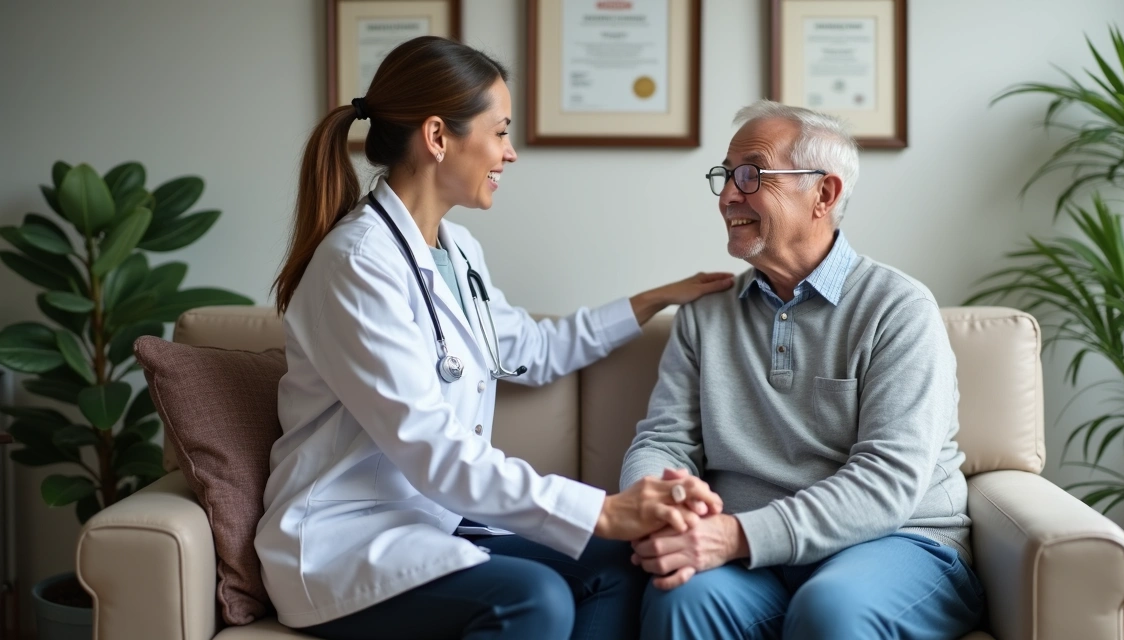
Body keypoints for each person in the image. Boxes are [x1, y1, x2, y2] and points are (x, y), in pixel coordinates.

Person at [259, 36, 729, 640]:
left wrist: (655, 299)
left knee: (621, 565)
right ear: (437, 137)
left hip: (429, 522)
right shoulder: (356, 263)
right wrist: (603, 509)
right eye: (501, 131)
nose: (510, 154)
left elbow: (533, 351)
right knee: (533, 600)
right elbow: (429, 444)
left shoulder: (459, 253)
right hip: (343, 539)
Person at [620, 101, 987, 639]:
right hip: (752, 559)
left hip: (894, 543)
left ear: (824, 193)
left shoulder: (899, 309)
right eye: (724, 176)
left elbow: (888, 480)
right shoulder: (705, 315)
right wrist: (658, 505)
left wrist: (733, 536)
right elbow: (665, 441)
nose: (727, 195)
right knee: (680, 598)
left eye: (750, 175)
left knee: (832, 610)